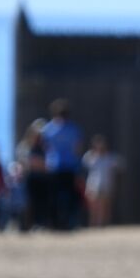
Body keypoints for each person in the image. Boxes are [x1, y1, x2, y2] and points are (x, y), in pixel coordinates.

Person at [41, 99, 84, 230]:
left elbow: (45, 147)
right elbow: (78, 148)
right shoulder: (73, 129)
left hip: (53, 166)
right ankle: (69, 222)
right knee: (70, 195)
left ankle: (54, 222)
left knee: (53, 196)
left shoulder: (48, 129)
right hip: (70, 166)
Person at [81, 134, 122, 228]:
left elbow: (121, 166)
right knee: (93, 206)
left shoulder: (110, 157)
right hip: (92, 184)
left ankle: (103, 224)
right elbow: (83, 167)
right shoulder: (90, 156)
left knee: (104, 206)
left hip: (106, 184)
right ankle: (93, 224)